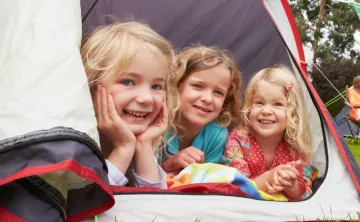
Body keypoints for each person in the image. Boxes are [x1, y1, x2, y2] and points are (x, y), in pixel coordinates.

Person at [81, 21, 178, 188]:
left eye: (156, 86)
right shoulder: (73, 148)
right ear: (91, 86)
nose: (146, 98)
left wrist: (144, 145)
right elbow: (87, 204)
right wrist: (123, 149)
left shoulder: (142, 141)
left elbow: (156, 207)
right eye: (128, 82)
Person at [223, 65, 313, 200]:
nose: (266, 111)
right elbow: (237, 189)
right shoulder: (237, 141)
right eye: (259, 103)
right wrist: (270, 177)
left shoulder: (296, 148)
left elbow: (305, 195)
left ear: (293, 113)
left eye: (277, 104)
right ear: (249, 107)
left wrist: (291, 185)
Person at [160, 46, 243, 173]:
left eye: (218, 92)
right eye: (198, 86)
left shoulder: (217, 135)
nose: (208, 99)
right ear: (176, 85)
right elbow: (138, 181)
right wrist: (167, 166)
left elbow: (207, 183)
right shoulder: (158, 125)